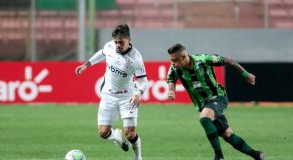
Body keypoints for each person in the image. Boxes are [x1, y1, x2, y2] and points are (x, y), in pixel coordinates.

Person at [166, 43, 264, 160]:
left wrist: (245, 73)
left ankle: (219, 157)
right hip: (203, 104)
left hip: (217, 97)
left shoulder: (203, 60)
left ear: (183, 57)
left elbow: (229, 61)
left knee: (204, 118)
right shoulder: (175, 68)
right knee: (227, 134)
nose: (173, 63)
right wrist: (171, 91)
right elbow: (171, 79)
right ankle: (257, 155)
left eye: (174, 60)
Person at [75, 24, 148, 160]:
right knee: (103, 132)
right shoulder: (110, 46)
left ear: (129, 39)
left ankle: (138, 157)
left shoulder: (136, 58)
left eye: (121, 42)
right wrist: (87, 64)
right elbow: (102, 53)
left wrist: (138, 93)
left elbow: (144, 82)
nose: (118, 45)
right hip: (108, 95)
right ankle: (117, 138)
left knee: (130, 134)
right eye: (116, 42)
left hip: (127, 97)